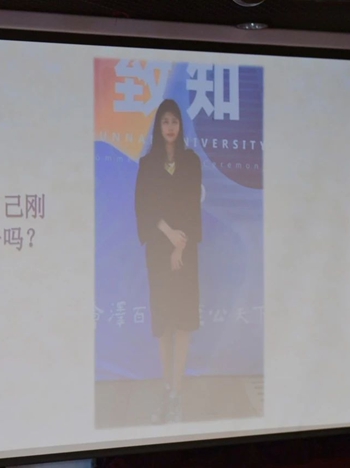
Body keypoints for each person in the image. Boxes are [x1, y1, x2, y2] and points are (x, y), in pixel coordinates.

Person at [134, 98, 202, 424]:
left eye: (175, 121)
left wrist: (180, 246)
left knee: (184, 321)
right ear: (158, 126)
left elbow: (192, 206)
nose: (170, 127)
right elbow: (143, 206)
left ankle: (177, 393)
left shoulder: (191, 161)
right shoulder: (148, 164)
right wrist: (168, 234)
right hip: (159, 252)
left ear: (180, 126)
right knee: (164, 324)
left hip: (185, 253)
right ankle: (166, 389)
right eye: (165, 121)